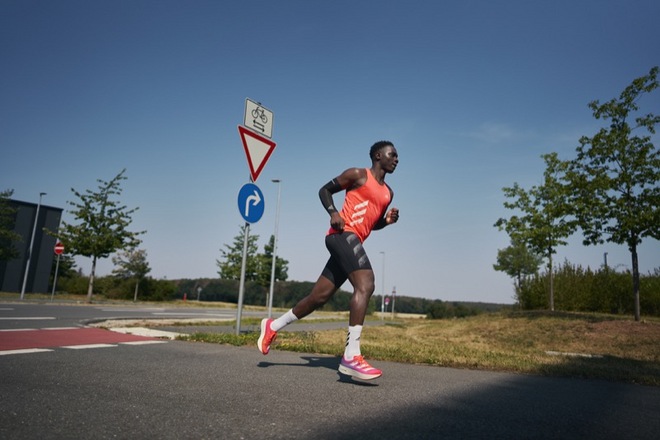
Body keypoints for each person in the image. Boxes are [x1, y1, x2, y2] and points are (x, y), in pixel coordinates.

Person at [257, 140, 400, 380]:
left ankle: (273, 326)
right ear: (378, 155)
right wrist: (333, 212)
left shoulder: (388, 193)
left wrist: (385, 222)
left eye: (397, 156)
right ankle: (351, 356)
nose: (396, 159)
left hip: (352, 242)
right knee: (366, 284)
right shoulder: (358, 174)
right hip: (341, 235)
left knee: (318, 297)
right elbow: (324, 190)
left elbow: (371, 223)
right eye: (392, 154)